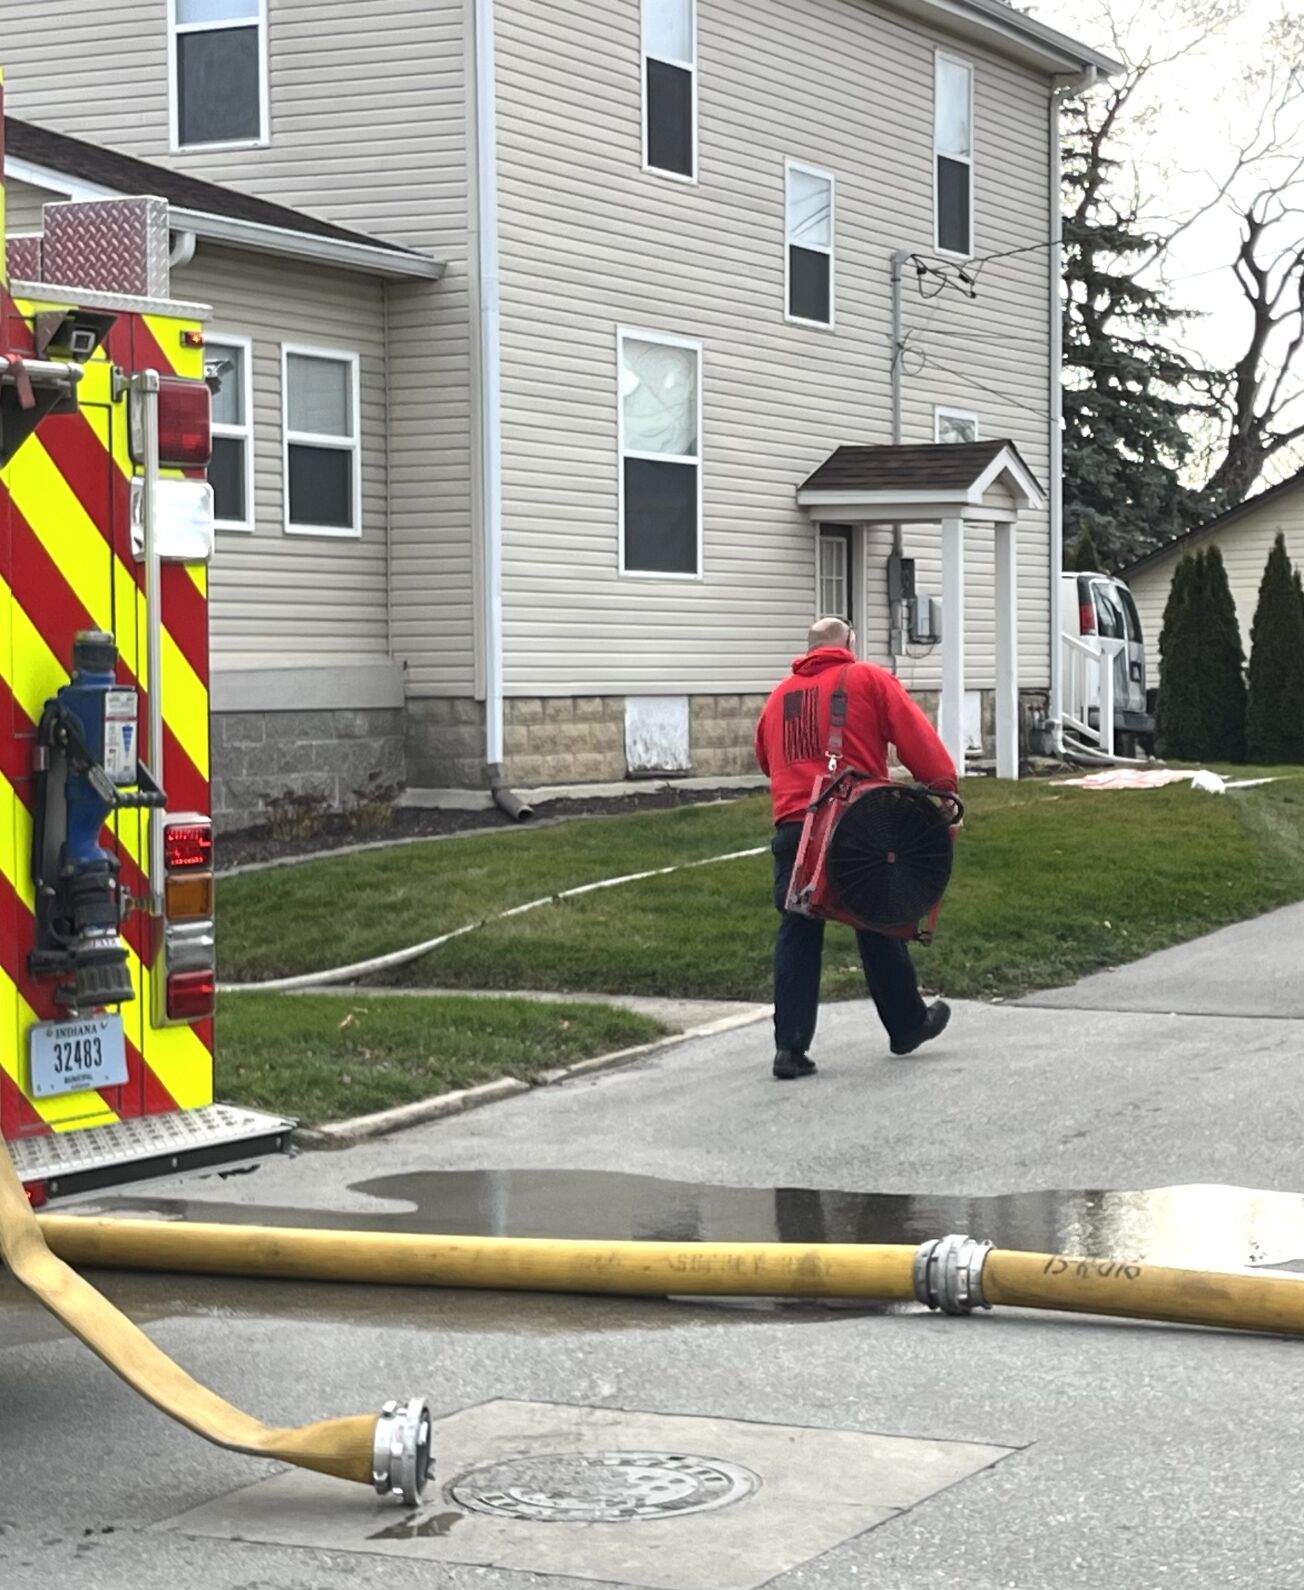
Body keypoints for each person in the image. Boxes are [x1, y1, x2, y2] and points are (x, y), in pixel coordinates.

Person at [754, 616, 958, 1080]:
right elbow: (915, 738)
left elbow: (766, 759)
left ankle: (790, 1048)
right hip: (855, 823)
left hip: (794, 827)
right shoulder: (866, 678)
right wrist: (942, 785)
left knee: (798, 929)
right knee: (875, 916)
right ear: (849, 643)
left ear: (808, 650)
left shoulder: (779, 696)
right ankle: (907, 1024)